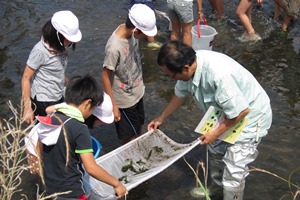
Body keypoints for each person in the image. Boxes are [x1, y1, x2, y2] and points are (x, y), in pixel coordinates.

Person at [147, 41, 272, 199]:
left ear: (185, 68)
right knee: (215, 154)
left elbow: (241, 111)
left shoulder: (219, 75)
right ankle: (215, 188)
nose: (171, 79)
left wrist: (215, 133)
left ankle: (231, 195)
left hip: (250, 118)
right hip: (224, 113)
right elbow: (180, 93)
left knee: (234, 173)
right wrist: (161, 117)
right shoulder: (189, 68)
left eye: (171, 76)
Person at [26, 75, 128, 199]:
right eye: (94, 108)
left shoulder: (51, 118)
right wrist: (116, 184)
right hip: (71, 192)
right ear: (87, 103)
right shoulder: (80, 129)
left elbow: (40, 150)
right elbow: (91, 168)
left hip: (48, 189)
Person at [102, 4, 157, 144]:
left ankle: (137, 149)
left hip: (137, 91)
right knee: (128, 136)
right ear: (136, 30)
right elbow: (105, 76)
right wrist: (114, 106)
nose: (144, 37)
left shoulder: (131, 34)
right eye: (143, 34)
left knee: (138, 126)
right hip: (124, 100)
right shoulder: (114, 47)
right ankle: (129, 159)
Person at [21, 10, 82, 124]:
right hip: (43, 100)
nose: (71, 42)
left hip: (58, 94)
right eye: (69, 38)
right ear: (57, 35)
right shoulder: (40, 51)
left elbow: (58, 71)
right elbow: (26, 78)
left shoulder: (61, 47)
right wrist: (27, 107)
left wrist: (72, 87)